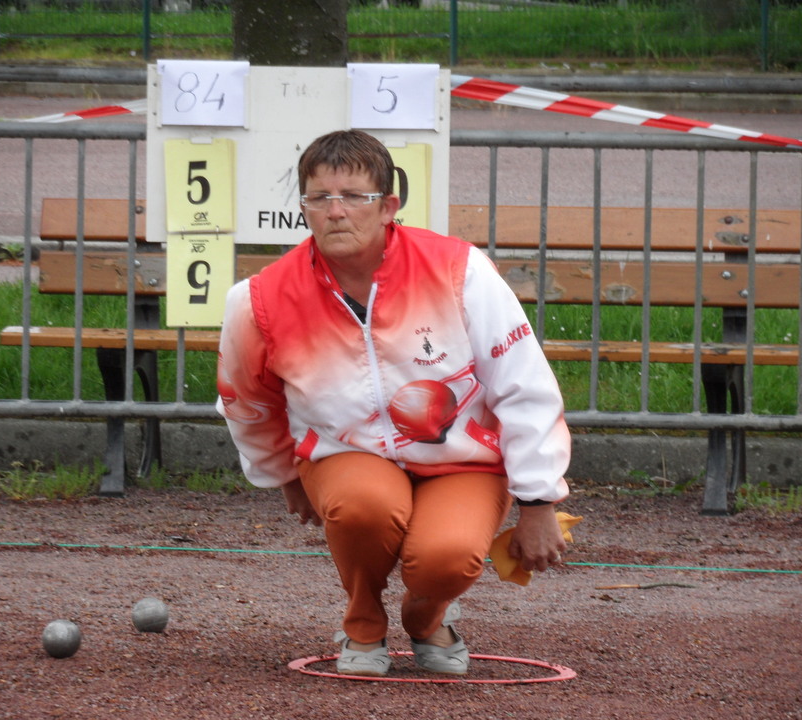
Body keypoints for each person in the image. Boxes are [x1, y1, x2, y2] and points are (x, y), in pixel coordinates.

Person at [216, 129, 570, 677]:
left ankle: (426, 617)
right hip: (346, 454)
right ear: (304, 207)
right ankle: (362, 622)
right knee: (363, 508)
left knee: (448, 557)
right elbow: (247, 399)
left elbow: (523, 384)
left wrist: (539, 500)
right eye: (319, 197)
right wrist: (285, 475)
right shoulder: (258, 298)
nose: (335, 212)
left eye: (354, 197)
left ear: (388, 206)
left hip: (464, 458)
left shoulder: (461, 270)